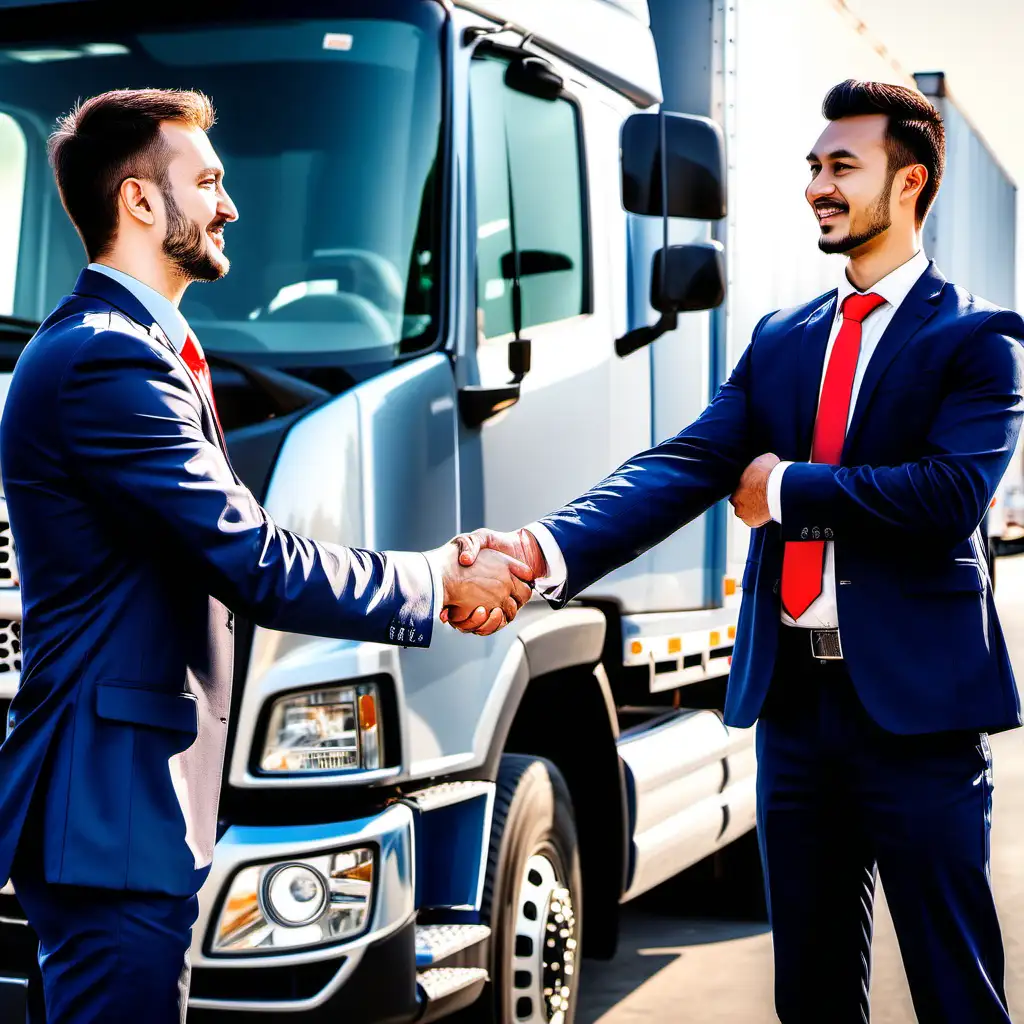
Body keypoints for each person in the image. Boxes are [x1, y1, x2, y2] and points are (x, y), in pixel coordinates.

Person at [450, 80, 1024, 1022]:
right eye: (813, 167)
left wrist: (787, 488)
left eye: (844, 167)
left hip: (919, 721)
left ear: (910, 180)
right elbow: (685, 465)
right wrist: (539, 550)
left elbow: (949, 494)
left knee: (955, 991)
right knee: (811, 993)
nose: (818, 187)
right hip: (798, 710)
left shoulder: (976, 336)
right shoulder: (783, 339)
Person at [0, 88, 532, 1024]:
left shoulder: (136, 347)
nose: (228, 205)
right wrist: (435, 578)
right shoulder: (105, 360)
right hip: (112, 806)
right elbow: (253, 560)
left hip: (126, 803)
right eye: (205, 180)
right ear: (138, 202)